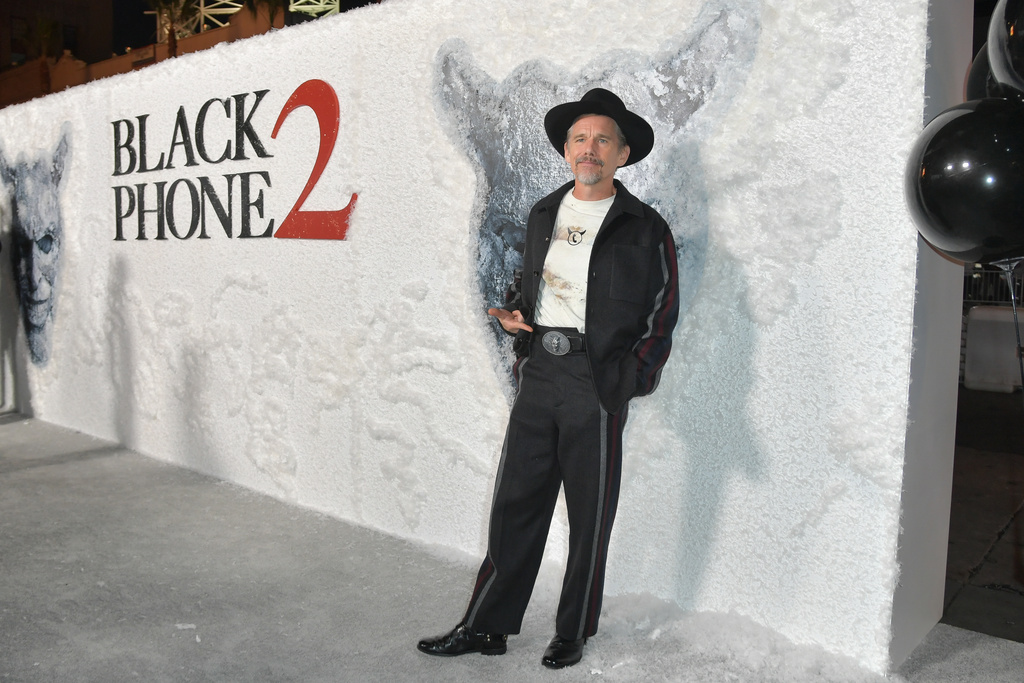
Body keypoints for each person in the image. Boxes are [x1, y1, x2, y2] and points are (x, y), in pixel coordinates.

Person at [418, 88, 679, 669]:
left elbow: (663, 312)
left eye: (603, 139)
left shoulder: (646, 228)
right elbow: (533, 286)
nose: (590, 148)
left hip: (597, 383)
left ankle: (573, 631)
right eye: (580, 138)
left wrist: (628, 379)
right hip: (540, 374)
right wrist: (518, 319)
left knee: (589, 518)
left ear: (622, 154)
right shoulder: (543, 214)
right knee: (514, 505)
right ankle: (486, 626)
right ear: (566, 151)